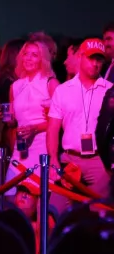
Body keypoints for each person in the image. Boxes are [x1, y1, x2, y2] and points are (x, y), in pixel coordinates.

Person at [46, 37, 113, 211]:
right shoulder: (63, 90)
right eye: (91, 58)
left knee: (99, 214)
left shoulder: (110, 90)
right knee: (55, 211)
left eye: (99, 59)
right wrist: (53, 159)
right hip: (69, 159)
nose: (95, 64)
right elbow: (52, 129)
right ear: (81, 57)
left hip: (99, 161)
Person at [1, 40, 58, 193]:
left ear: (42, 59)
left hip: (42, 147)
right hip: (20, 148)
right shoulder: (15, 86)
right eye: (26, 54)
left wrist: (35, 128)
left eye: (34, 55)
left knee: (39, 196)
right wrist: (8, 119)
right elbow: (13, 122)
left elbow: (58, 122)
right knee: (11, 195)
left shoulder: (50, 83)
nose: (28, 58)